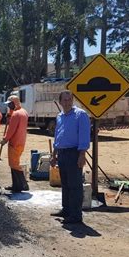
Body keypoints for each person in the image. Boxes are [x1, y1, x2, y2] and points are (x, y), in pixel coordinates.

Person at [50, 90, 90, 224]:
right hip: (62, 153)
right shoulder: (60, 116)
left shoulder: (80, 115)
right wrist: (54, 155)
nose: (67, 102)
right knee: (65, 184)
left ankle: (75, 215)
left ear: (72, 101)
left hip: (74, 153)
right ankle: (66, 209)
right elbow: (58, 137)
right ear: (60, 102)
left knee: (75, 185)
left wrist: (82, 155)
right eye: (65, 100)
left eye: (69, 100)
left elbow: (84, 136)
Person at [0, 95, 29, 192]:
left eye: (10, 104)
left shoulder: (16, 114)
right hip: (21, 141)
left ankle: (21, 185)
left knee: (14, 164)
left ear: (14, 103)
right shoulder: (23, 112)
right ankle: (16, 185)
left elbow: (11, 130)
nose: (9, 106)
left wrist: (5, 139)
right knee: (14, 163)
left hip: (15, 142)